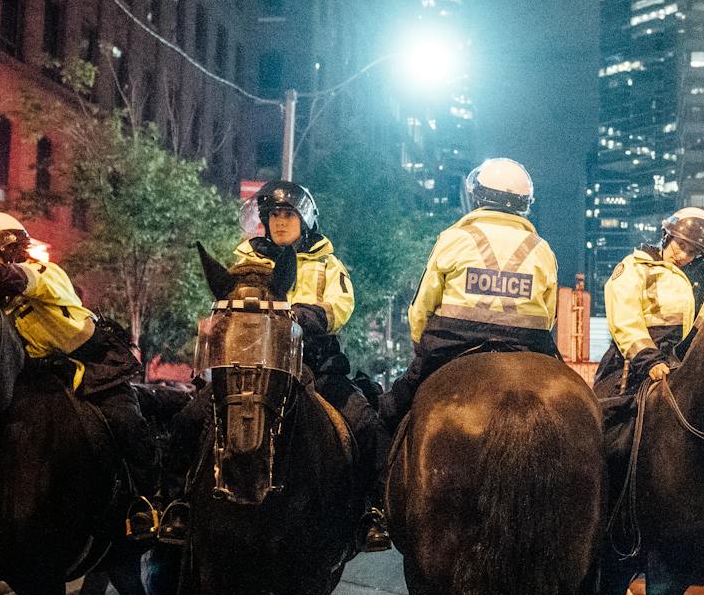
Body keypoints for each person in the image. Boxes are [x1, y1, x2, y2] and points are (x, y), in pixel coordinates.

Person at [0, 212, 161, 538]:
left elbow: (24, 279)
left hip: (95, 365)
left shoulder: (45, 271)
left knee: (126, 422)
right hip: (40, 375)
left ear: (11, 252)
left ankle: (148, 503)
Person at [229, 180, 388, 549]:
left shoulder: (327, 263)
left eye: (288, 214)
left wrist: (307, 315)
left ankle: (373, 512)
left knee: (365, 423)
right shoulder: (246, 261)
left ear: (305, 219)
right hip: (256, 365)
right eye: (273, 215)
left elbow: (341, 305)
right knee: (196, 415)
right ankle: (175, 504)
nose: (280, 222)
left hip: (316, 365)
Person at [379, 158, 559, 429]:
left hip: (451, 344)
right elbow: (549, 316)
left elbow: (423, 305)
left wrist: (420, 346)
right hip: (527, 347)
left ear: (479, 197)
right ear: (525, 204)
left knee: (389, 415)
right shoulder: (542, 249)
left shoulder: (454, 238)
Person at [596, 207, 704, 398]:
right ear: (666, 237)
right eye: (680, 245)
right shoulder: (635, 267)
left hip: (688, 373)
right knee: (604, 420)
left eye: (693, 252)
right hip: (632, 371)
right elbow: (625, 320)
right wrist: (650, 361)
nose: (683, 256)